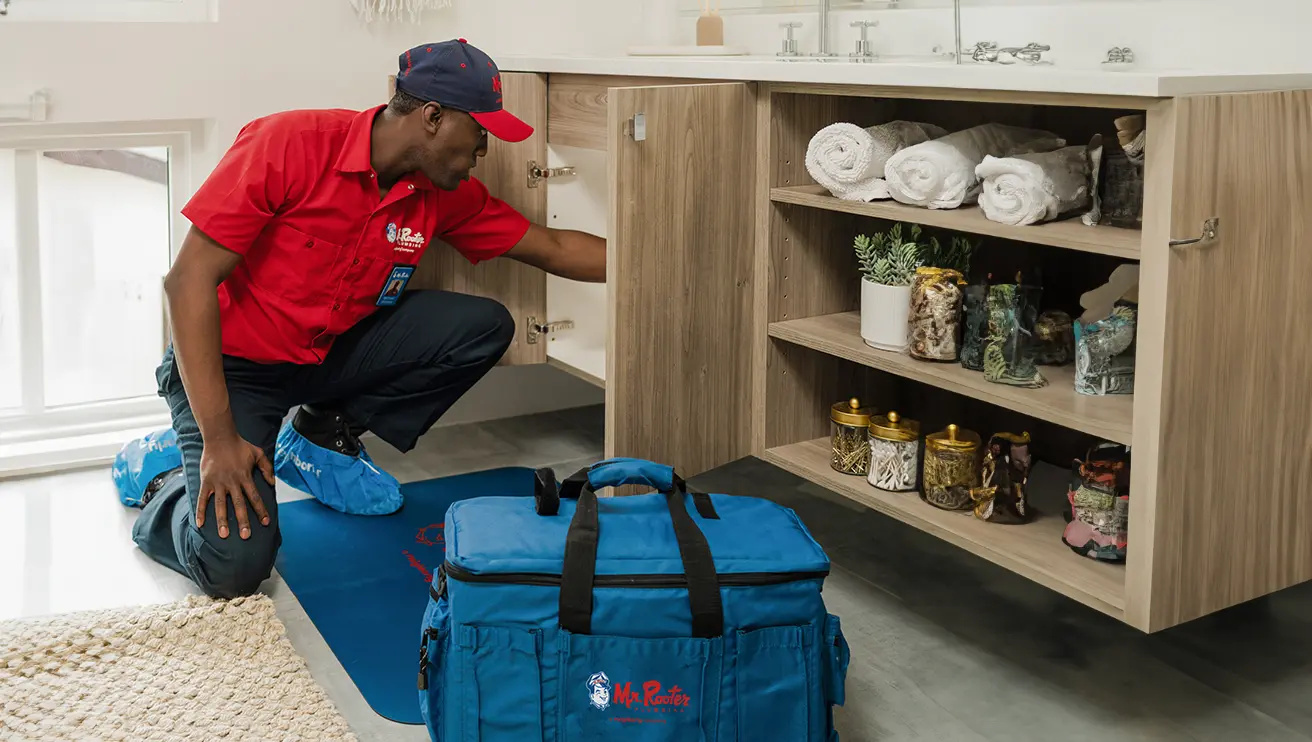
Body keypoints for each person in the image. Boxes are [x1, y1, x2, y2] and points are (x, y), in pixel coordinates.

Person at [129, 39, 606, 599]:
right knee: (234, 567)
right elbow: (186, 282)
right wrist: (218, 439)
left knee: (482, 326)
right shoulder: (288, 144)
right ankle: (164, 482)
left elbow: (549, 246)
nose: (484, 147)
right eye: (480, 130)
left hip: (327, 354)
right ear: (433, 117)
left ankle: (317, 434)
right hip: (236, 368)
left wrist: (656, 259)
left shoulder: (438, 192)